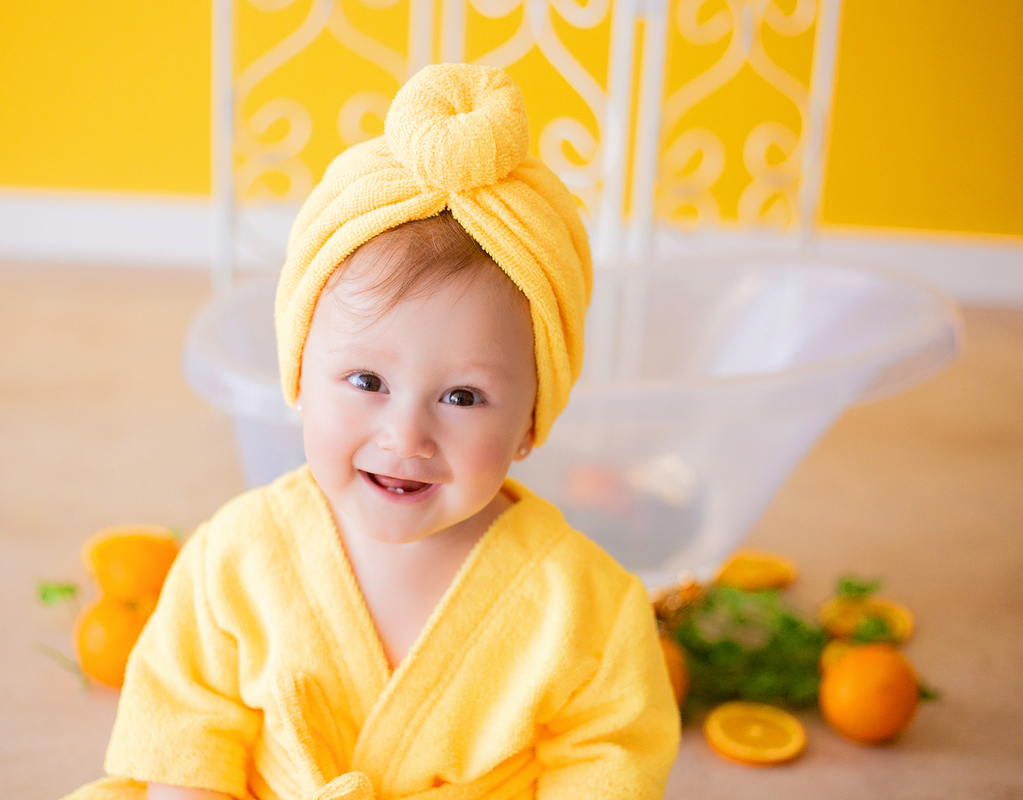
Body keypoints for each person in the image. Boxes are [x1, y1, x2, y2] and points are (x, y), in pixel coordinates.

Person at [64, 63, 679, 800]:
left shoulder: (588, 608)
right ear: (299, 378)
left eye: (462, 395)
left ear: (530, 423)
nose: (406, 434)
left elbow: (609, 764)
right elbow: (185, 738)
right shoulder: (234, 558)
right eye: (366, 382)